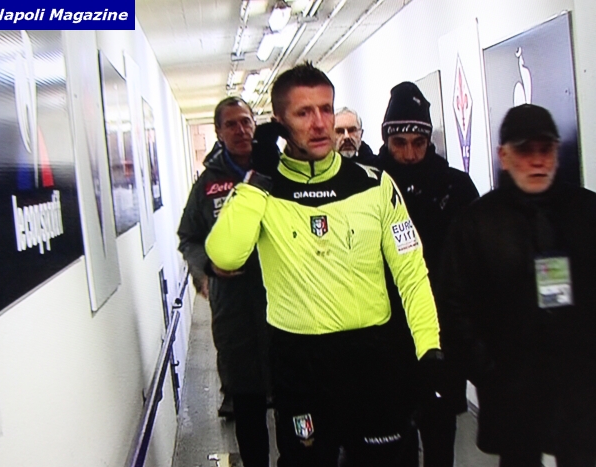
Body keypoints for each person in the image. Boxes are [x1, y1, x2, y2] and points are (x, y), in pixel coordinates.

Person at [205, 62, 444, 467]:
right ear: (279, 123)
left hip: (372, 359)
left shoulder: (374, 184)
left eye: (326, 109)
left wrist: (429, 349)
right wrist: (259, 177)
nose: (319, 124)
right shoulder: (261, 190)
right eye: (303, 112)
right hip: (299, 364)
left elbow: (412, 274)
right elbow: (225, 255)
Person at [440, 104, 596, 467]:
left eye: (545, 149)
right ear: (504, 155)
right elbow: (454, 305)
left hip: (580, 392)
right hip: (510, 394)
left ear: (556, 152)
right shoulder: (477, 224)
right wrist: (486, 369)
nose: (536, 161)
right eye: (524, 150)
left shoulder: (590, 213)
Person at [376, 81, 479, 467]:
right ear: (386, 139)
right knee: (391, 449)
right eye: (399, 143)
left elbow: (475, 264)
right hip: (384, 340)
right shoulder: (368, 186)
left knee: (439, 444)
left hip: (441, 340)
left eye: (418, 143)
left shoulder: (456, 187)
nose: (408, 154)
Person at [177, 97, 271, 467]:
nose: (240, 130)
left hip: (285, 304)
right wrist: (208, 268)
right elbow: (188, 238)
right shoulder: (207, 186)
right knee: (247, 404)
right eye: (231, 124)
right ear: (218, 132)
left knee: (295, 399)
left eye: (245, 121)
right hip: (234, 310)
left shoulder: (277, 170)